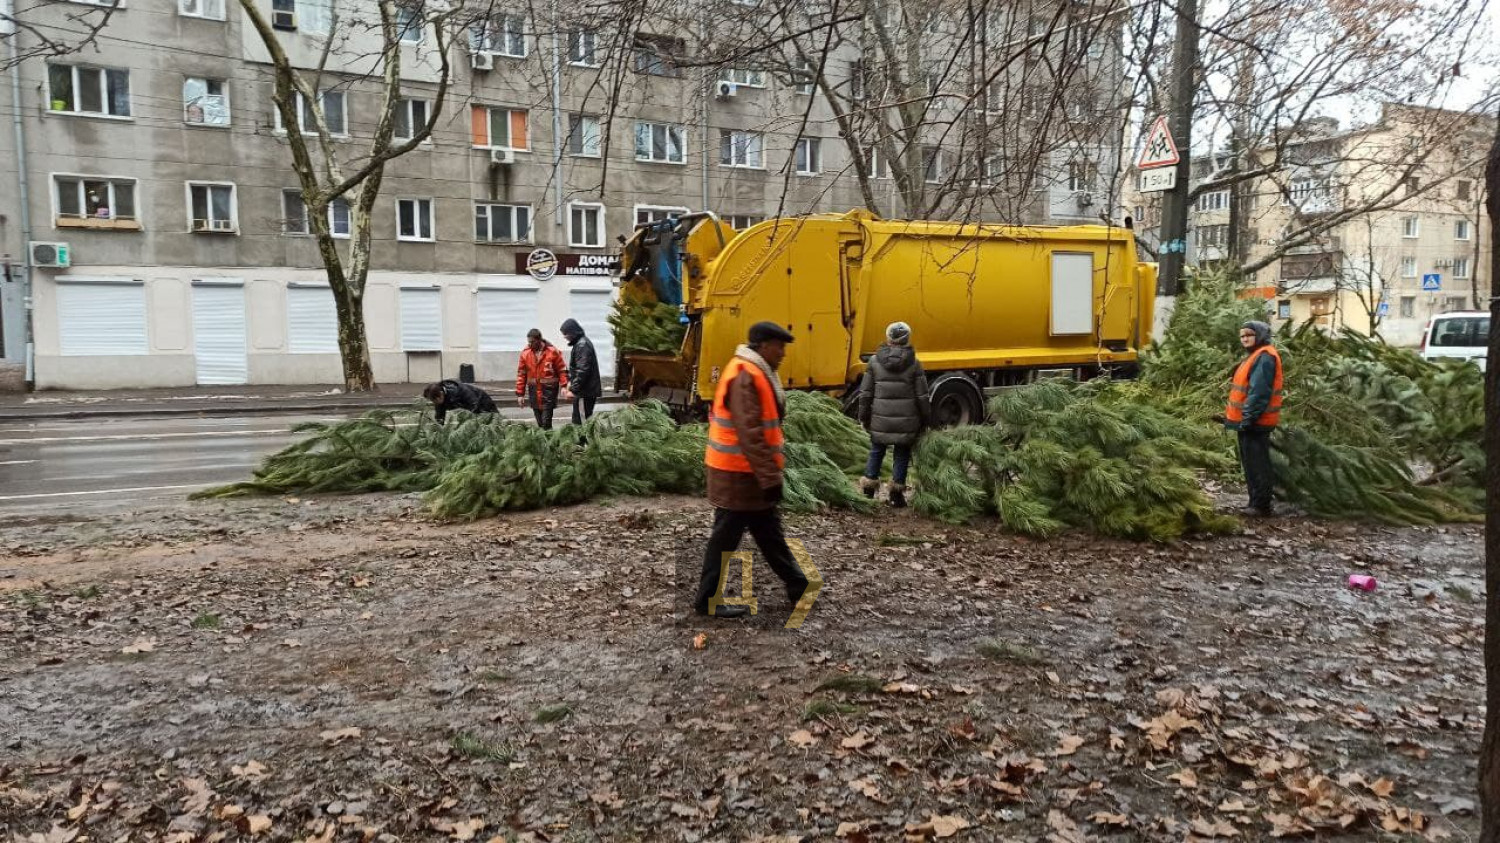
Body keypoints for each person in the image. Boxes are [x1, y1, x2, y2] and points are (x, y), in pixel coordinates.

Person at [694, 321, 811, 620]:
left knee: (769, 534)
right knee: (727, 540)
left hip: (746, 475)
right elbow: (751, 434)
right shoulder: (746, 375)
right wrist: (770, 477)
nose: (783, 353)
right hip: (739, 476)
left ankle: (798, 585)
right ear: (762, 346)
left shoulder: (753, 371)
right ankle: (707, 600)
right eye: (779, 346)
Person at [857, 321, 931, 508]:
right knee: (901, 454)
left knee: (876, 451)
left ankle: (868, 492)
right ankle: (896, 496)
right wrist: (926, 419)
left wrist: (863, 417)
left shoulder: (874, 362)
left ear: (888, 338)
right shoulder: (914, 363)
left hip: (880, 419)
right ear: (907, 339)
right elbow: (922, 396)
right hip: (906, 421)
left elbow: (865, 394)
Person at [1221, 320, 1284, 517]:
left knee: (1257, 465)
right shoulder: (1256, 356)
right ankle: (1254, 502)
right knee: (1251, 464)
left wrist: (1247, 419)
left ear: (1260, 335)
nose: (1245, 338)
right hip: (1249, 423)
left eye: (1249, 334)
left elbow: (1258, 393)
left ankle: (1261, 505)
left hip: (1255, 423)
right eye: (1242, 336)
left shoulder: (1265, 357)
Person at [516, 328, 568, 430]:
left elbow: (562, 369)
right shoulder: (525, 354)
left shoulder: (552, 352)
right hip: (534, 392)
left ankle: (549, 443)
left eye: (532, 342)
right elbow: (521, 374)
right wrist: (520, 394)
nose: (530, 344)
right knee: (540, 423)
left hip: (548, 391)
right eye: (528, 342)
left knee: (546, 422)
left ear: (539, 340)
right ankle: (546, 441)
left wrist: (564, 386)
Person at [559, 318, 602, 425]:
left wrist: (573, 389)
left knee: (581, 421)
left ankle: (583, 441)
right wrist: (569, 383)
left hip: (584, 392)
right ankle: (582, 440)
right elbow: (578, 369)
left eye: (565, 333)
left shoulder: (582, 345)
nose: (564, 336)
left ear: (572, 332)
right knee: (581, 418)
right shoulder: (580, 343)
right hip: (584, 391)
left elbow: (582, 371)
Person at [422, 379, 498, 425]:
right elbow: (440, 416)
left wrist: (468, 423)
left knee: (492, 424)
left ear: (441, 394)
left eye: (434, 401)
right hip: (469, 408)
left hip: (483, 403)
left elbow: (474, 405)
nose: (434, 403)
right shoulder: (438, 396)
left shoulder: (460, 391)